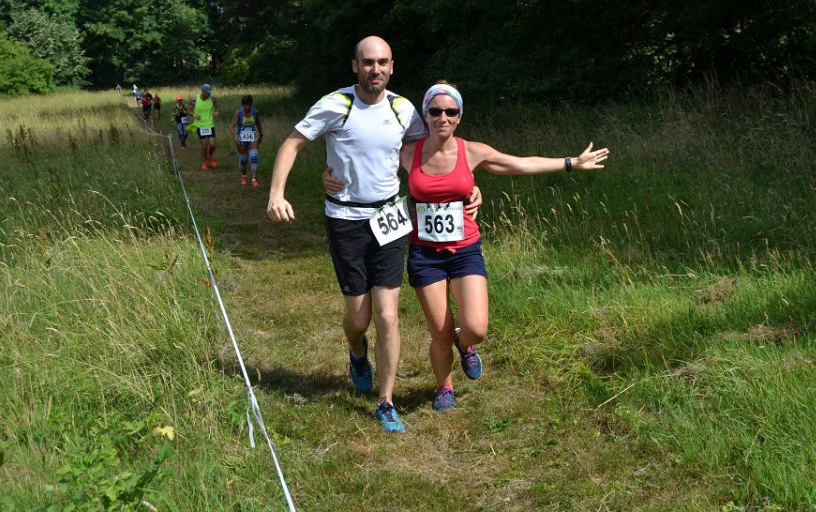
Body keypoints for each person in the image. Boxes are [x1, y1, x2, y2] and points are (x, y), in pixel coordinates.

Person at [267, 36, 481, 433]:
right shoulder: (336, 104)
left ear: (392, 66)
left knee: (387, 314)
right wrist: (277, 193)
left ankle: (386, 401)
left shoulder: (404, 110)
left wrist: (467, 187)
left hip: (389, 218)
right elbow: (293, 143)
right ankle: (356, 348)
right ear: (355, 66)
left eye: (382, 62)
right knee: (360, 317)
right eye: (368, 62)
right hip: (345, 218)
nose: (375, 69)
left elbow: (432, 154)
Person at [401, 82, 607, 411]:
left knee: (477, 328)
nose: (443, 117)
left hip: (465, 249)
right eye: (435, 111)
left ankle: (465, 344)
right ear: (425, 114)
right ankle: (444, 387)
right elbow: (369, 167)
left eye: (450, 111)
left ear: (459, 116)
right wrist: (333, 176)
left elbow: (521, 164)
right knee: (439, 332)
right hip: (425, 254)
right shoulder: (408, 153)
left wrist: (571, 162)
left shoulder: (472, 151)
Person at [230, 95, 264, 187]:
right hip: (241, 139)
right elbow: (231, 127)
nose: (247, 107)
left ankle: (254, 179)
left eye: (249, 105)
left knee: (253, 157)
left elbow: (258, 124)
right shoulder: (238, 113)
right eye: (245, 105)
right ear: (242, 105)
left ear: (251, 104)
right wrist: (235, 137)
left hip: (253, 138)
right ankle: (244, 176)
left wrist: (261, 135)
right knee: (243, 160)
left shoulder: (255, 112)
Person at [192, 83, 220, 169]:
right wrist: (193, 114)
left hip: (209, 124)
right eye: (208, 92)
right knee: (204, 146)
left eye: (210, 92)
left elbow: (218, 106)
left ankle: (209, 156)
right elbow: (188, 108)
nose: (209, 94)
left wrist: (217, 111)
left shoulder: (212, 98)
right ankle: (205, 161)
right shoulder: (195, 99)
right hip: (200, 125)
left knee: (212, 145)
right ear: (203, 91)